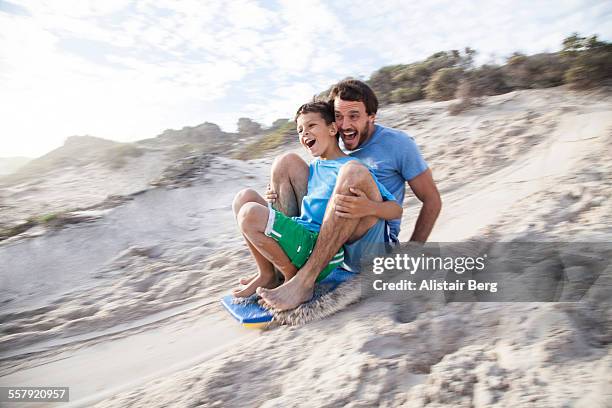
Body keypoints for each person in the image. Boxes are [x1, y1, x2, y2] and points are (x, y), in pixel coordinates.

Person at [256, 79, 442, 310]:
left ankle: (305, 280)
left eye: (354, 116)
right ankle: (284, 269)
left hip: (369, 242)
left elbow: (432, 200)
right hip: (332, 237)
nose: (344, 125)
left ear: (371, 116)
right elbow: (318, 181)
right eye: (339, 116)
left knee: (352, 172)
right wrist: (278, 190)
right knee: (286, 162)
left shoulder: (398, 144)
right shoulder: (335, 143)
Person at [232, 101, 400, 298]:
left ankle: (294, 277)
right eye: (300, 130)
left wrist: (369, 207)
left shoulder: (351, 167)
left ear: (332, 128)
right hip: (307, 234)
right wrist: (273, 195)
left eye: (311, 126)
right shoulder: (312, 169)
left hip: (336, 247)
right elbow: (299, 204)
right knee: (246, 197)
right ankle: (267, 273)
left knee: (250, 214)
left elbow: (396, 210)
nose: (304, 133)